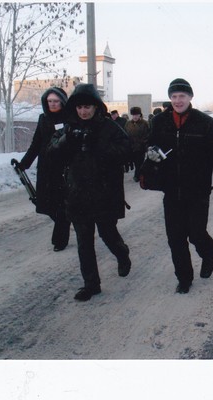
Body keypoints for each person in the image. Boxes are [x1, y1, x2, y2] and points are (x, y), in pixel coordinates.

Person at [48, 83, 132, 302]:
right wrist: (69, 139)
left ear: (96, 107)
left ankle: (122, 254)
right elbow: (53, 150)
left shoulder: (108, 127)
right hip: (78, 195)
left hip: (104, 194)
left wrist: (101, 148)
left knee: (108, 235)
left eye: (87, 107)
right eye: (79, 107)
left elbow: (128, 150)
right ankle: (91, 284)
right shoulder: (69, 127)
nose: (83, 111)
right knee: (84, 243)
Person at [145, 78, 213, 294]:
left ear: (190, 97)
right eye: (173, 96)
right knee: (175, 237)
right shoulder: (159, 121)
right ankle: (184, 277)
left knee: (197, 234)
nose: (177, 100)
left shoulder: (205, 123)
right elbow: (150, 144)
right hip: (171, 189)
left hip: (198, 190)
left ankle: (208, 254)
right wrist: (151, 152)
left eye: (182, 96)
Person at [19, 87, 71, 252]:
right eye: (49, 101)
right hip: (46, 167)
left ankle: (60, 239)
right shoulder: (43, 118)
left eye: (56, 101)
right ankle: (65, 223)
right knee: (45, 204)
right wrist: (25, 163)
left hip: (63, 168)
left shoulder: (70, 118)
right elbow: (36, 143)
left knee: (61, 205)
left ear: (62, 102)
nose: (53, 104)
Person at [124, 106, 150, 182]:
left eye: (137, 115)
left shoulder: (145, 123)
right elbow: (125, 134)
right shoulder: (128, 123)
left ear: (139, 115)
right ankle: (138, 174)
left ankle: (137, 176)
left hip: (140, 147)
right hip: (131, 147)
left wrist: (144, 143)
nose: (135, 117)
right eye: (134, 115)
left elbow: (147, 135)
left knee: (139, 163)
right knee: (135, 162)